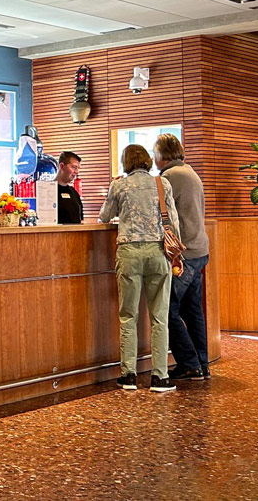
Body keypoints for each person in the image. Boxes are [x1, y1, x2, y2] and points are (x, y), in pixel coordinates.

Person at [99, 144, 180, 393]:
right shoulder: (162, 183)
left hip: (129, 252)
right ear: (147, 160)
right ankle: (160, 377)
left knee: (128, 316)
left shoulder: (119, 185)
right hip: (158, 252)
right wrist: (176, 253)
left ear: (126, 162)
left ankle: (129, 376)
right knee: (159, 317)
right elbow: (173, 221)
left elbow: (104, 216)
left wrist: (113, 194)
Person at [155, 133, 212, 381]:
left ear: (162, 154)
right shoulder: (190, 172)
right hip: (199, 249)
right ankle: (202, 363)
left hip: (184, 253)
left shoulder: (169, 177)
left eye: (155, 152)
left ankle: (189, 364)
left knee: (167, 309)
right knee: (192, 311)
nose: (153, 157)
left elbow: (160, 212)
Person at [56, 151, 83, 224]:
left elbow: (81, 218)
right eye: (73, 167)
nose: (77, 171)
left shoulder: (74, 192)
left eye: (78, 168)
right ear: (62, 166)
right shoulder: (48, 190)